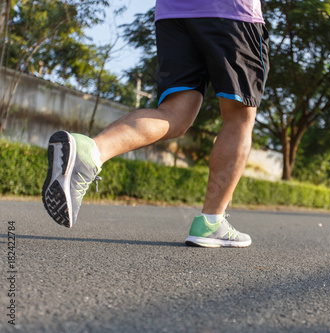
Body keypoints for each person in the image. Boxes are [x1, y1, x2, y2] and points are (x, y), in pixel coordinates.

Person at [41, 0, 269, 248]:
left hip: (172, 14)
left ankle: (91, 151)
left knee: (175, 114)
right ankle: (211, 222)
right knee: (239, 117)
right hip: (232, 12)